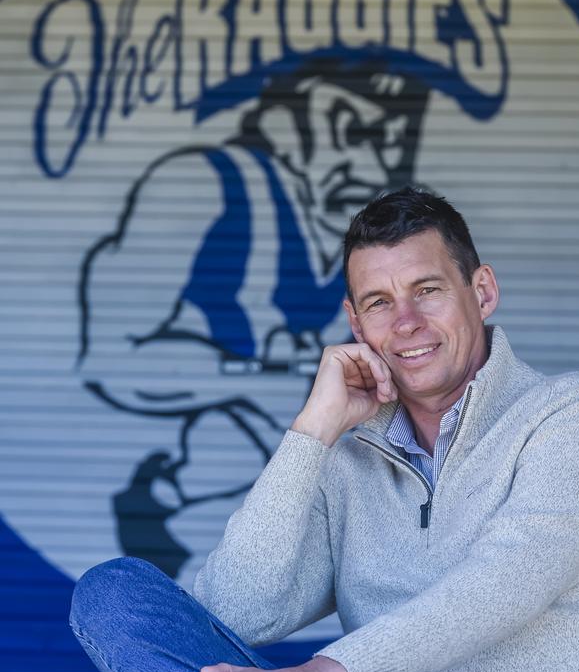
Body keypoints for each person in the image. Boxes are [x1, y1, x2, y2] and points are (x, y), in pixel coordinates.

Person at [70, 187, 579, 672]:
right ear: (355, 323)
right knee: (113, 595)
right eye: (378, 302)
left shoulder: (575, 413)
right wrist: (311, 432)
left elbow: (501, 585)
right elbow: (236, 611)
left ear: (482, 292)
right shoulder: (350, 452)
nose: (405, 323)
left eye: (427, 290)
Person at [76, 56, 428, 580]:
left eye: (391, 141)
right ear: (289, 124)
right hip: (210, 505)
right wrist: (256, 385)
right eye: (355, 131)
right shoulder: (201, 184)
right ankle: (167, 498)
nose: (375, 165)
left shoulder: (369, 229)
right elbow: (110, 356)